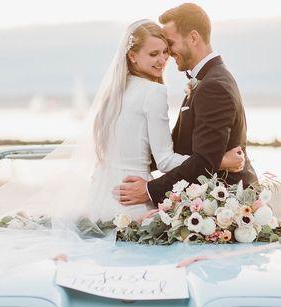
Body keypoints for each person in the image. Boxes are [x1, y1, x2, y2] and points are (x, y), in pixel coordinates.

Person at [88, 19, 245, 221]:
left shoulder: (115, 91)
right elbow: (164, 160)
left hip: (100, 194)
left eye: (165, 52)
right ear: (132, 56)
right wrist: (219, 161)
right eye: (154, 54)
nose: (162, 60)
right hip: (132, 199)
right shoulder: (154, 91)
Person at [115, 3, 258, 208]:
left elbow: (204, 162)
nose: (168, 55)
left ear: (193, 37)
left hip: (224, 203)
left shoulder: (213, 86)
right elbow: (182, 150)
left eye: (170, 44)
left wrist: (149, 190)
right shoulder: (207, 79)